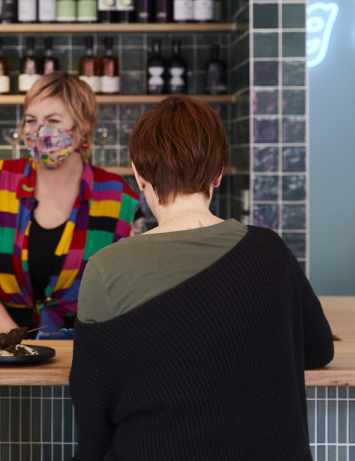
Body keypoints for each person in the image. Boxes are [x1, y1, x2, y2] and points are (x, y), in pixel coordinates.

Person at [70, 94, 334, 461]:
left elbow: (92, 425)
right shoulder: (270, 250)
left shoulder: (106, 268)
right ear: (218, 172)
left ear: (139, 174)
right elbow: (319, 350)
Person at [0, 71, 142, 338]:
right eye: (31, 120)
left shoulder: (119, 197)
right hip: (2, 340)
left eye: (53, 121)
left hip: (87, 343)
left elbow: (136, 282)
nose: (39, 131)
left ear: (83, 128)